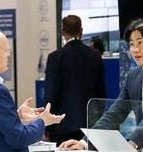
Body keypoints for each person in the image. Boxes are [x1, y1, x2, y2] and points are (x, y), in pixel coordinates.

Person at [62, 17, 143, 151]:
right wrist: (85, 142)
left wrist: (133, 143)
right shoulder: (133, 76)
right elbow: (115, 112)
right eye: (132, 44)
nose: (135, 50)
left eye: (140, 43)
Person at [42, 14, 106, 143]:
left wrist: (45, 125)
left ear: (62, 32)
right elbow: (101, 92)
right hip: (89, 124)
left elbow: (51, 93)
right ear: (81, 31)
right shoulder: (95, 55)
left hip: (61, 125)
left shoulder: (55, 57)